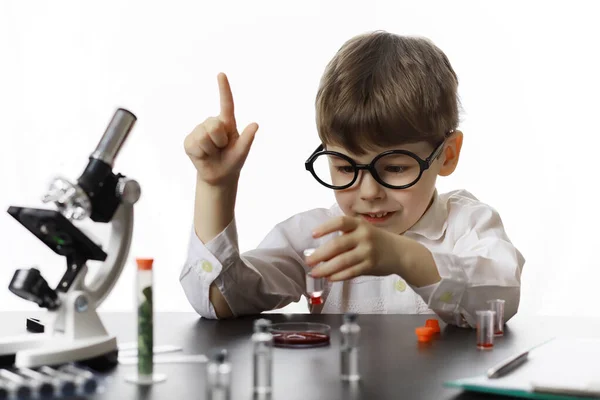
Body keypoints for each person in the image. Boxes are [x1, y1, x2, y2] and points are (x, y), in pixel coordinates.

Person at [179, 30, 524, 327]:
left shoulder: (468, 224)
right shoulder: (315, 237)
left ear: (446, 155)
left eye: (395, 168)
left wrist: (404, 257)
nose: (369, 192)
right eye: (345, 168)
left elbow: (499, 299)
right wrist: (216, 188)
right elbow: (221, 301)